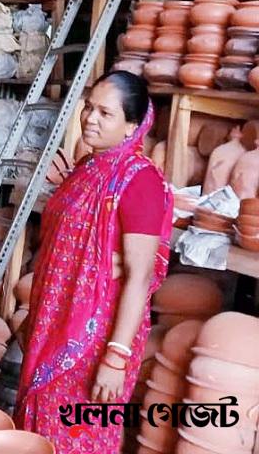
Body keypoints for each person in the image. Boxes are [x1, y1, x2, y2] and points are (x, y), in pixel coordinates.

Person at [16, 71, 173, 451]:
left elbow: (139, 276)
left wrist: (116, 357)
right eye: (89, 108)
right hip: (55, 322)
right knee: (40, 433)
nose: (90, 118)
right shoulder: (87, 168)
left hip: (97, 339)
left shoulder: (140, 181)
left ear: (132, 125)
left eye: (106, 113)